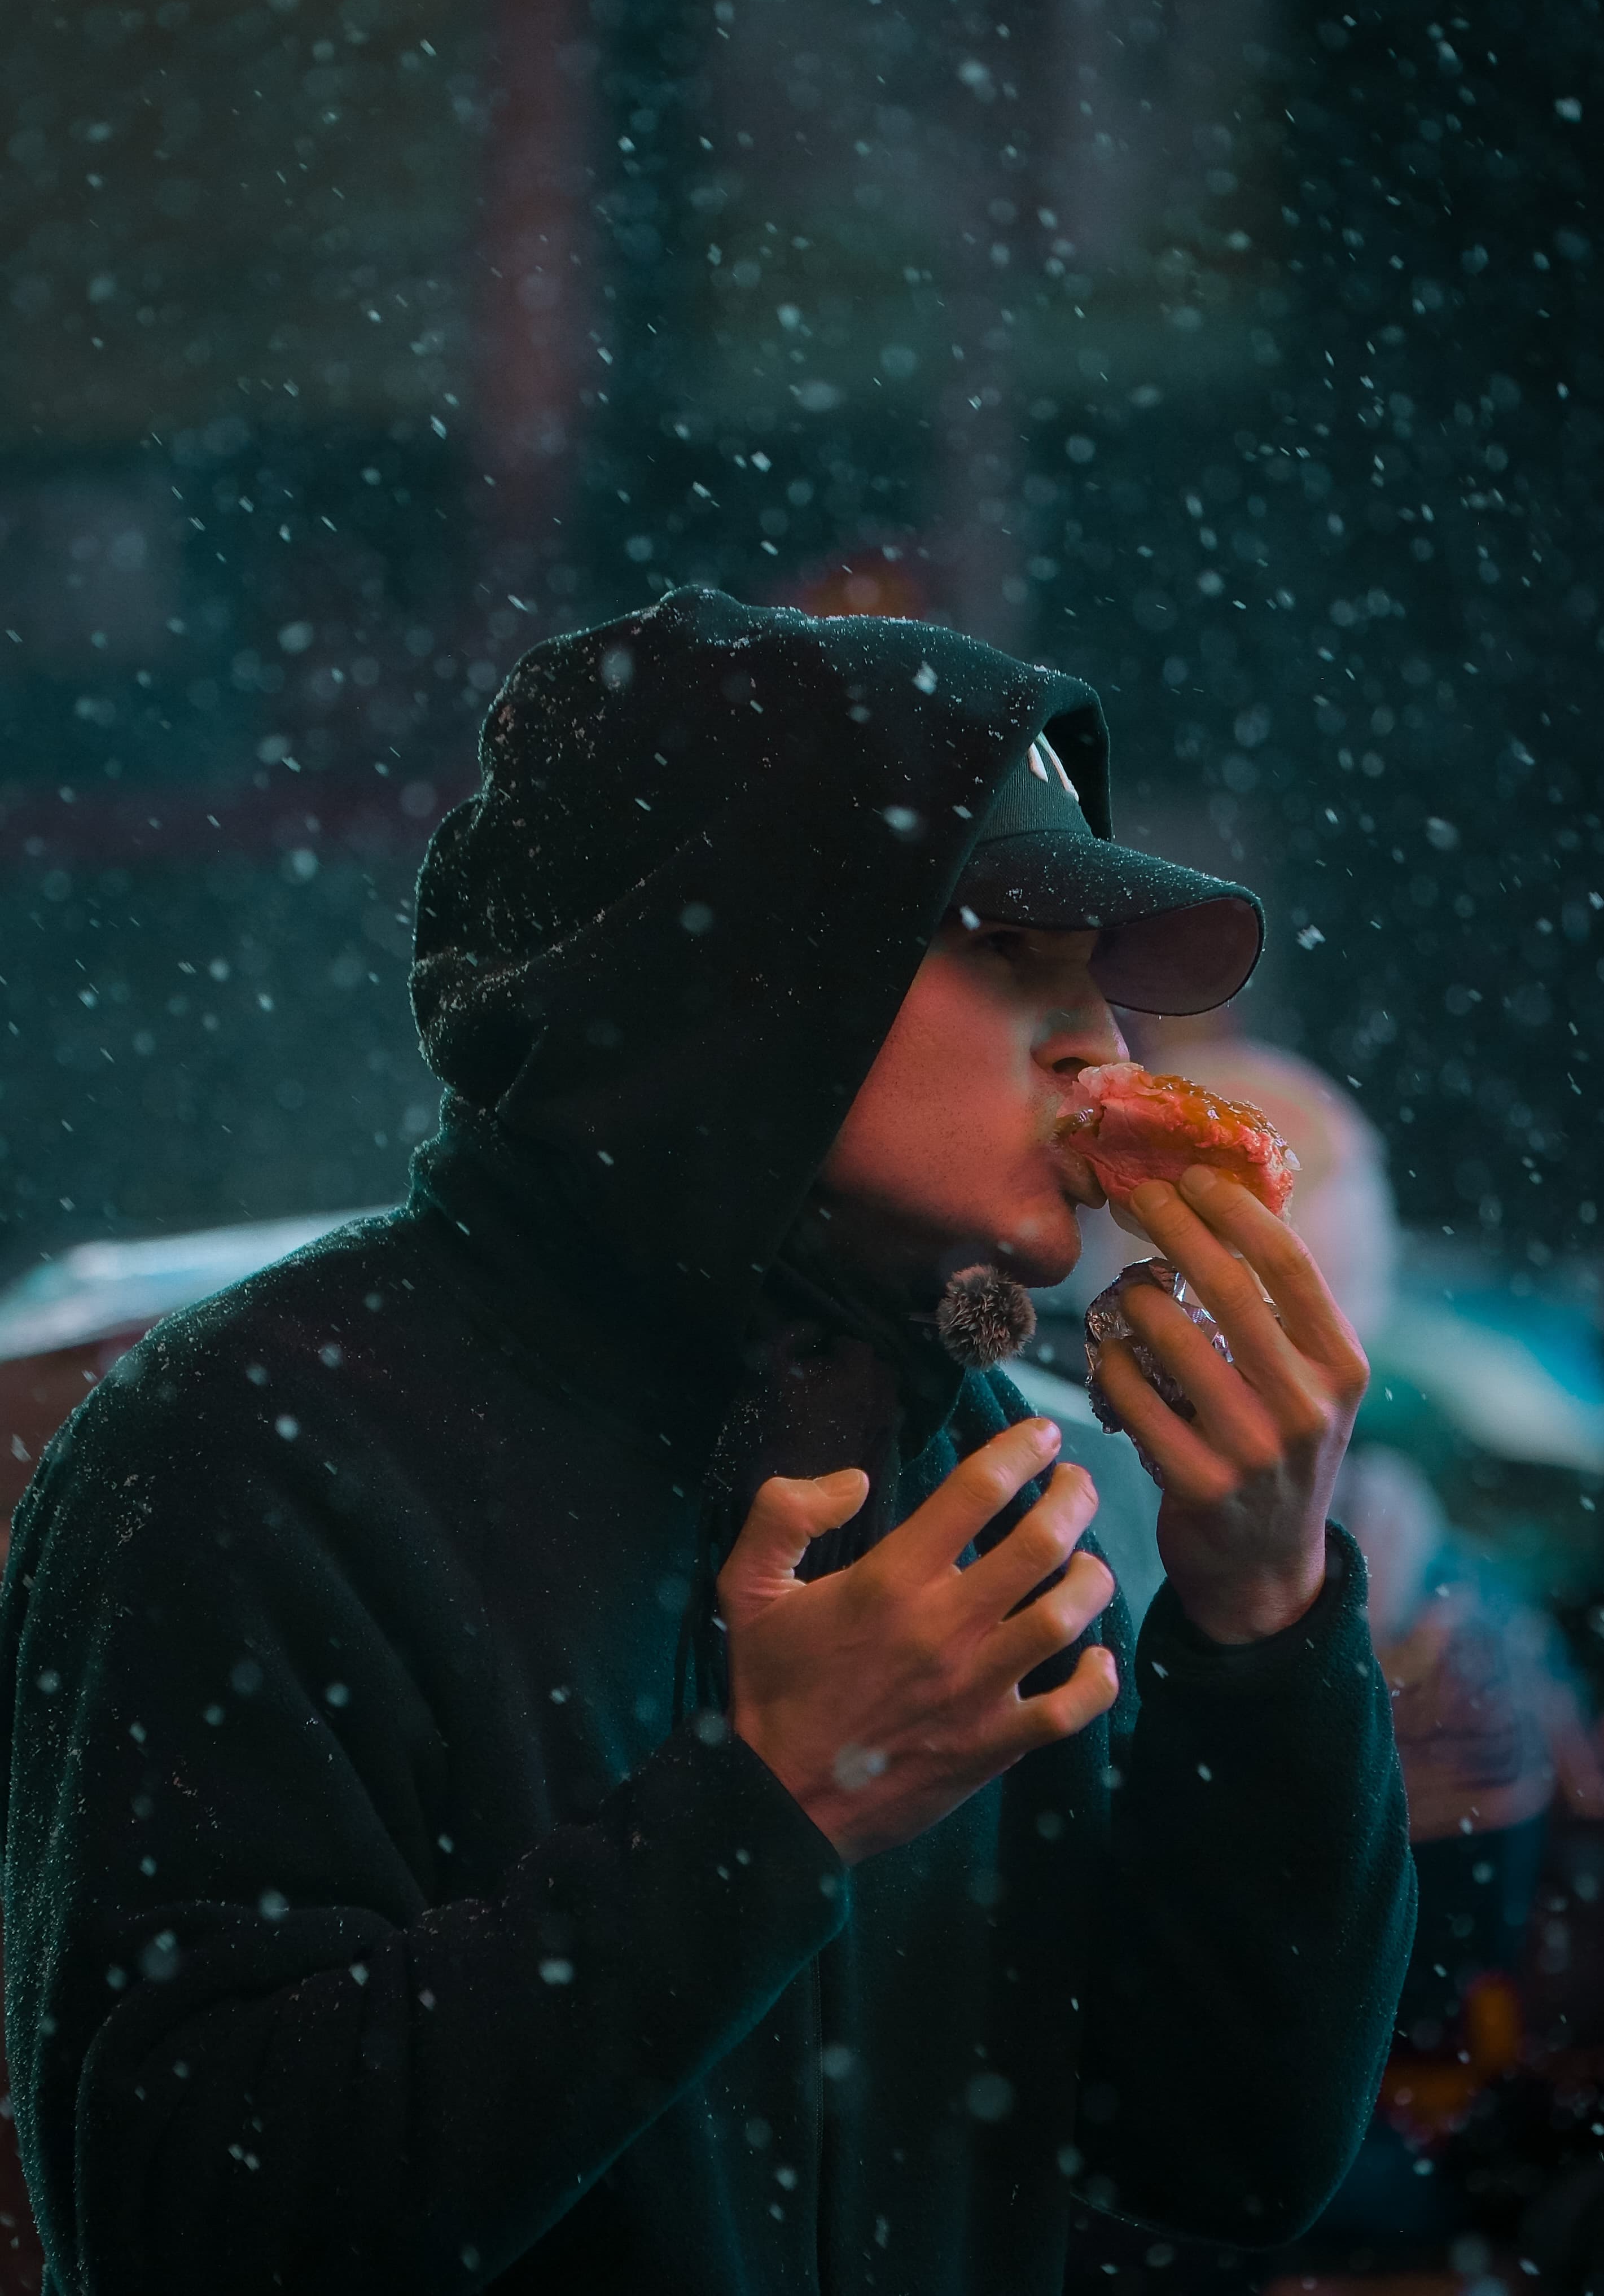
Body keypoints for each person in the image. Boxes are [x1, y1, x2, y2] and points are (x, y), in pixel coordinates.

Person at [0, 588, 1410, 2296]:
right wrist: (765, 1811)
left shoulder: (975, 1456)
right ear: (740, 979)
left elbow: (1224, 2151)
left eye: (1102, 981)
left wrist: (1262, 1623)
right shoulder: (252, 1441)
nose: (1099, 1044)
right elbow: (176, 2230)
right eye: (1007, 951)